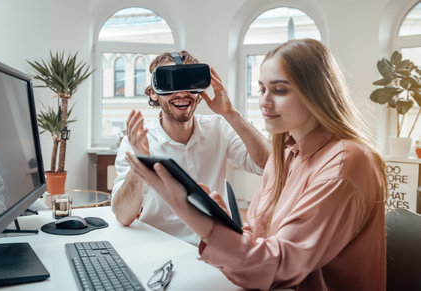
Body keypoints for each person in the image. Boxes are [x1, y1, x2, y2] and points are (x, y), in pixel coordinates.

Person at [126, 39, 387, 290]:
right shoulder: (286, 156)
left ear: (316, 93)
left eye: (280, 90)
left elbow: (279, 266)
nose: (264, 101)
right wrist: (218, 220)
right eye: (262, 89)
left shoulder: (344, 163)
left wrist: (189, 212)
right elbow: (254, 235)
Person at [111, 51, 271, 246]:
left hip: (216, 248)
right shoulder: (136, 141)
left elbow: (268, 165)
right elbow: (123, 216)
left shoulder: (219, 128)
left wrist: (231, 113)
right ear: (153, 91)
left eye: (188, 84)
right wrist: (140, 162)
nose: (181, 94)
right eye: (170, 84)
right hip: (160, 248)